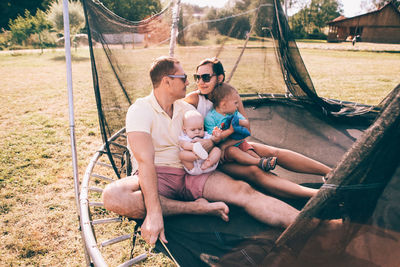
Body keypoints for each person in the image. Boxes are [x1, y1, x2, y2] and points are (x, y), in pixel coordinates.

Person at [102, 56, 301, 246]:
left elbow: (211, 129)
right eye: (184, 78)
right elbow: (144, 161)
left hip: (194, 171)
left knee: (243, 191)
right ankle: (196, 208)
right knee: (113, 195)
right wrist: (154, 213)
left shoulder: (186, 110)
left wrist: (223, 135)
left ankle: (308, 225)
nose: (189, 82)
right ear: (167, 82)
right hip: (158, 176)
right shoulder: (141, 109)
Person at [185, 57, 332, 199]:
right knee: (255, 171)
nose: (200, 82)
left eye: (205, 77)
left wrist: (225, 145)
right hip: (216, 157)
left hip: (232, 144)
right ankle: (318, 195)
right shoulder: (194, 98)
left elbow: (246, 128)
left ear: (220, 78)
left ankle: (331, 172)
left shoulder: (230, 95)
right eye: (197, 77)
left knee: (272, 151)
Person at [204, 82, 277, 172]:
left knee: (250, 153)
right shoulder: (210, 118)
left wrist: (239, 122)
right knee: (233, 151)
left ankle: (265, 165)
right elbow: (215, 139)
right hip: (226, 149)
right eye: (235, 103)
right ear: (223, 104)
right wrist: (229, 131)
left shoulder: (234, 114)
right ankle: (259, 162)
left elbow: (246, 125)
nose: (237, 106)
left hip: (239, 142)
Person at [179, 110, 221, 175]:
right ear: (185, 130)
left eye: (200, 129)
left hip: (208, 166)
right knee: (181, 154)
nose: (197, 132)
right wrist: (192, 146)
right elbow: (183, 144)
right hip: (193, 166)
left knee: (217, 150)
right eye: (193, 130)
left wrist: (216, 136)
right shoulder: (185, 138)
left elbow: (213, 140)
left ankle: (209, 162)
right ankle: (197, 153)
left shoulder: (205, 135)